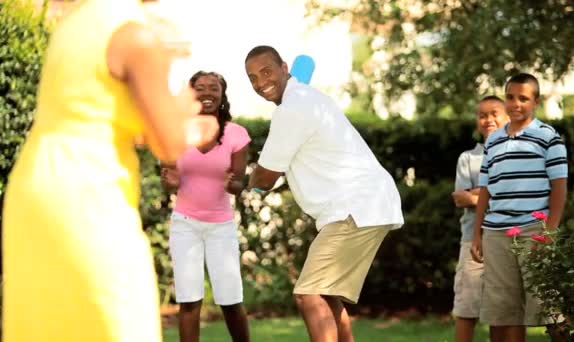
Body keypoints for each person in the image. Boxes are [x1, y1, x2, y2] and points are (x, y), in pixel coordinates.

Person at [1, 0, 219, 341]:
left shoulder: (75, 22)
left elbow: (101, 112)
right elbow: (169, 142)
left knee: (49, 325)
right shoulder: (136, 38)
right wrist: (192, 122)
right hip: (87, 191)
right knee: (119, 319)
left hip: (35, 185)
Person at [244, 45, 404, 342]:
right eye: (252, 78)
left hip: (355, 207)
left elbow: (264, 178)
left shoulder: (292, 109)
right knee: (327, 295)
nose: (260, 82)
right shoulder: (303, 100)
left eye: (266, 71)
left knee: (309, 293)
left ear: (285, 67)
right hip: (365, 204)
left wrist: (243, 180)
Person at [470, 73, 568, 342]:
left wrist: (549, 231)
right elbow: (486, 191)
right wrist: (477, 233)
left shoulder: (548, 137)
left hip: (533, 230)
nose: (516, 104)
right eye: (511, 97)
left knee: (549, 308)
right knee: (505, 311)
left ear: (535, 101)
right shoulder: (493, 141)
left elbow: (559, 187)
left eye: (523, 98)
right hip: (496, 234)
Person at [161, 71, 251, 342]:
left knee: (231, 301)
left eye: (214, 88)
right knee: (189, 302)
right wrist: (171, 181)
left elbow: (239, 185)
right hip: (185, 225)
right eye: (200, 88)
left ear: (222, 94)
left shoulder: (236, 134)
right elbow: (167, 181)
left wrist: (232, 184)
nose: (207, 93)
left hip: (220, 226)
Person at [451, 96, 509, 342]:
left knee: (501, 311)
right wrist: (491, 194)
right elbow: (460, 199)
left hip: (507, 241)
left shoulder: (516, 154)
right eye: (482, 115)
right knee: (467, 308)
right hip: (472, 242)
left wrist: (477, 194)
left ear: (507, 117)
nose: (488, 119)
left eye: (494, 113)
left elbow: (511, 197)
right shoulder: (468, 158)